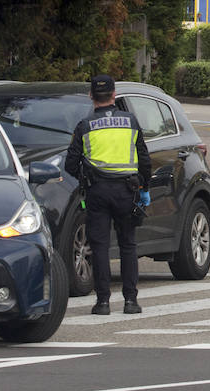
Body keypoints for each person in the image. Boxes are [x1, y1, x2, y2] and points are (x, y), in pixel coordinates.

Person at [65, 74, 152, 314]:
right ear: (114, 95)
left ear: (91, 96)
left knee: (100, 246)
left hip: (98, 191)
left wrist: (86, 177)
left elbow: (70, 164)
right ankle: (130, 301)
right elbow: (144, 161)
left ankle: (102, 302)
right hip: (128, 190)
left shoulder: (84, 125)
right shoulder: (131, 122)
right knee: (128, 245)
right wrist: (144, 188)